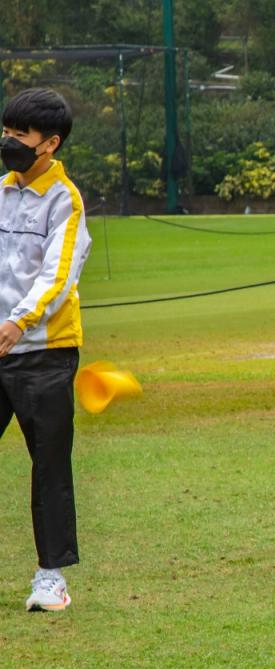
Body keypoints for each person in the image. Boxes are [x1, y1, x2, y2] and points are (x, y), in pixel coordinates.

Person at [1, 88, 92, 612]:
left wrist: (18, 322)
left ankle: (50, 578)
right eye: (6, 131)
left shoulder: (66, 201)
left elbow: (58, 276)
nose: (8, 142)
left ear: (50, 143)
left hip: (45, 353)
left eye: (20, 135)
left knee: (49, 466)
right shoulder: (0, 192)